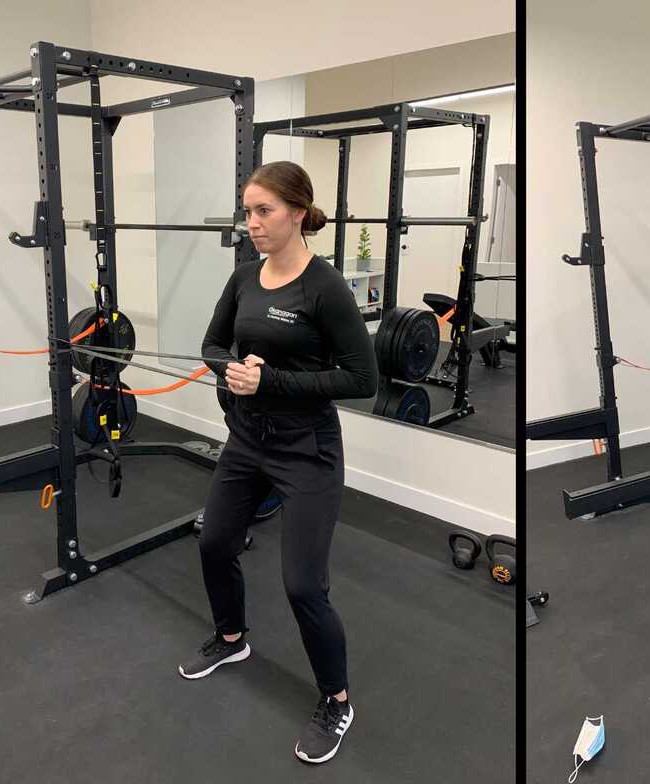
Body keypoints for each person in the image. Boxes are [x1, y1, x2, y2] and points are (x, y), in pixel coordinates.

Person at [179, 161, 378, 764]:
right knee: (214, 543)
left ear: (297, 212)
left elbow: (361, 378)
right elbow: (212, 345)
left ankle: (337, 699)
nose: (253, 223)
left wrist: (273, 381)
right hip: (247, 439)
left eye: (264, 211)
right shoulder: (243, 278)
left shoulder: (326, 288)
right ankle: (232, 638)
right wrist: (229, 372)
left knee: (302, 586)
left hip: (306, 449)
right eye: (247, 211)